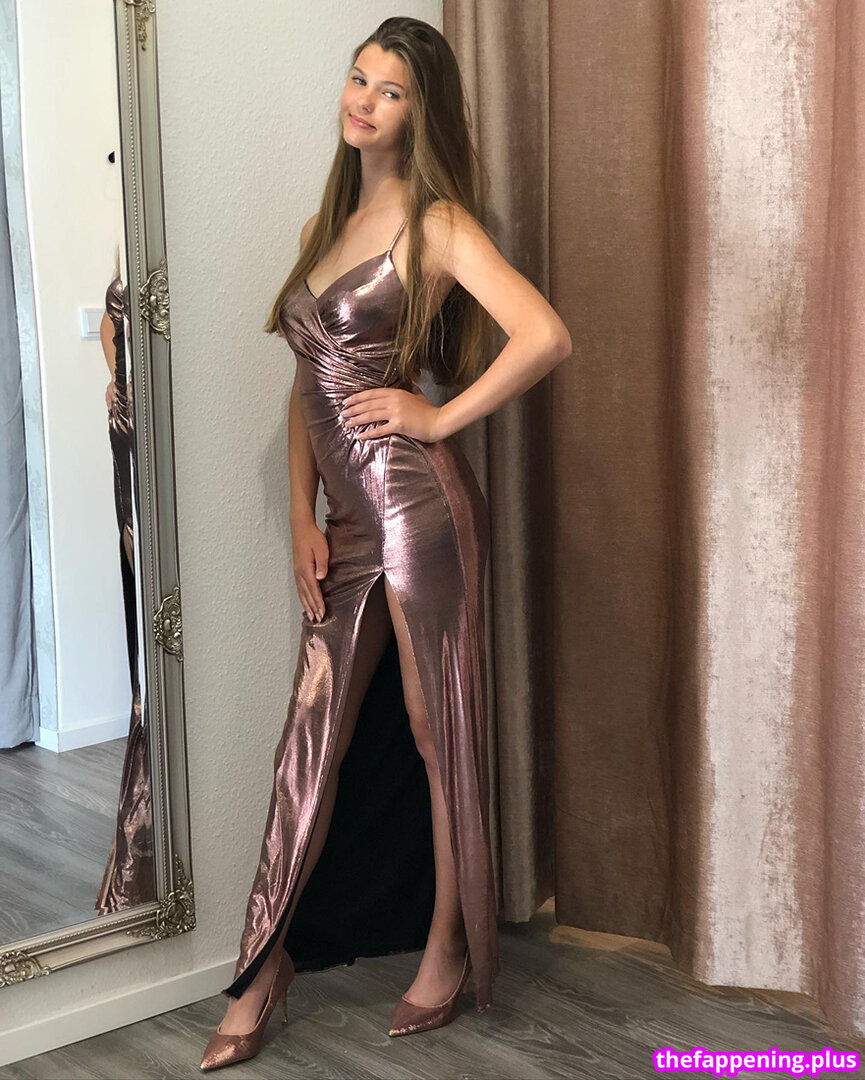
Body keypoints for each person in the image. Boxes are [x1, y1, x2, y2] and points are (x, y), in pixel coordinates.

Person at [201, 16, 571, 1071]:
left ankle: (447, 947)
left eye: (390, 90)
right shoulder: (327, 221)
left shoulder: (436, 221)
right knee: (309, 733)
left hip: (416, 507)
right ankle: (262, 967)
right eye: (357, 78)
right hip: (346, 522)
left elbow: (545, 335)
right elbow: (306, 388)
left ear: (421, 112)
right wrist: (300, 518)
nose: (362, 100)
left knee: (430, 725)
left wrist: (437, 416)